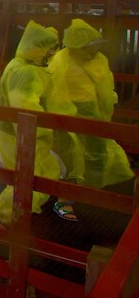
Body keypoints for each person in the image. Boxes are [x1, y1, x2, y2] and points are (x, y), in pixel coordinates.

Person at [46, 20, 132, 221]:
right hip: (69, 117)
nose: (93, 50)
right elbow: (52, 89)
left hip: (95, 115)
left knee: (97, 156)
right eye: (89, 47)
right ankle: (64, 200)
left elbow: (105, 84)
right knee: (72, 159)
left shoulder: (100, 60)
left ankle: (89, 196)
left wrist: (110, 99)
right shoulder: (61, 60)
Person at [0, 21, 61, 227]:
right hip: (19, 135)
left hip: (13, 131)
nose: (51, 55)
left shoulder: (21, 66)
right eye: (48, 50)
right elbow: (25, 109)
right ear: (36, 47)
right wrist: (51, 127)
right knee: (30, 177)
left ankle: (13, 213)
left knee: (43, 173)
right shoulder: (25, 72)